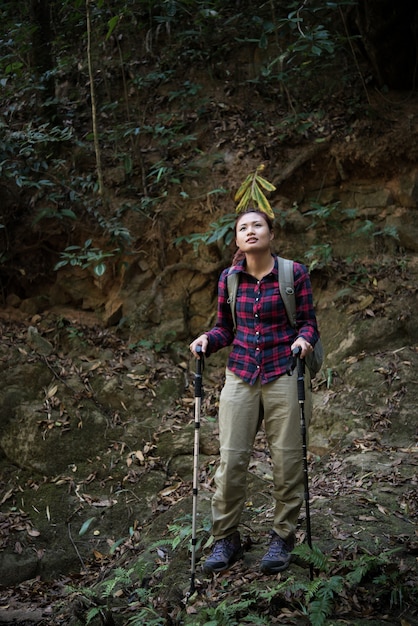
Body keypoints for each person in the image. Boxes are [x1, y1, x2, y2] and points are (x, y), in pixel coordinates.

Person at [189, 207, 320, 575]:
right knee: (230, 460)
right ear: (236, 239)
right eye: (243, 227)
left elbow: (309, 323)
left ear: (270, 234)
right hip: (241, 375)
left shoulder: (293, 273)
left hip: (284, 371)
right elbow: (224, 330)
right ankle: (225, 537)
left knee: (288, 460)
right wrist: (206, 340)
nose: (250, 231)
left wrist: (303, 341)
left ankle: (282, 536)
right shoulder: (229, 279)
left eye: (257, 225)